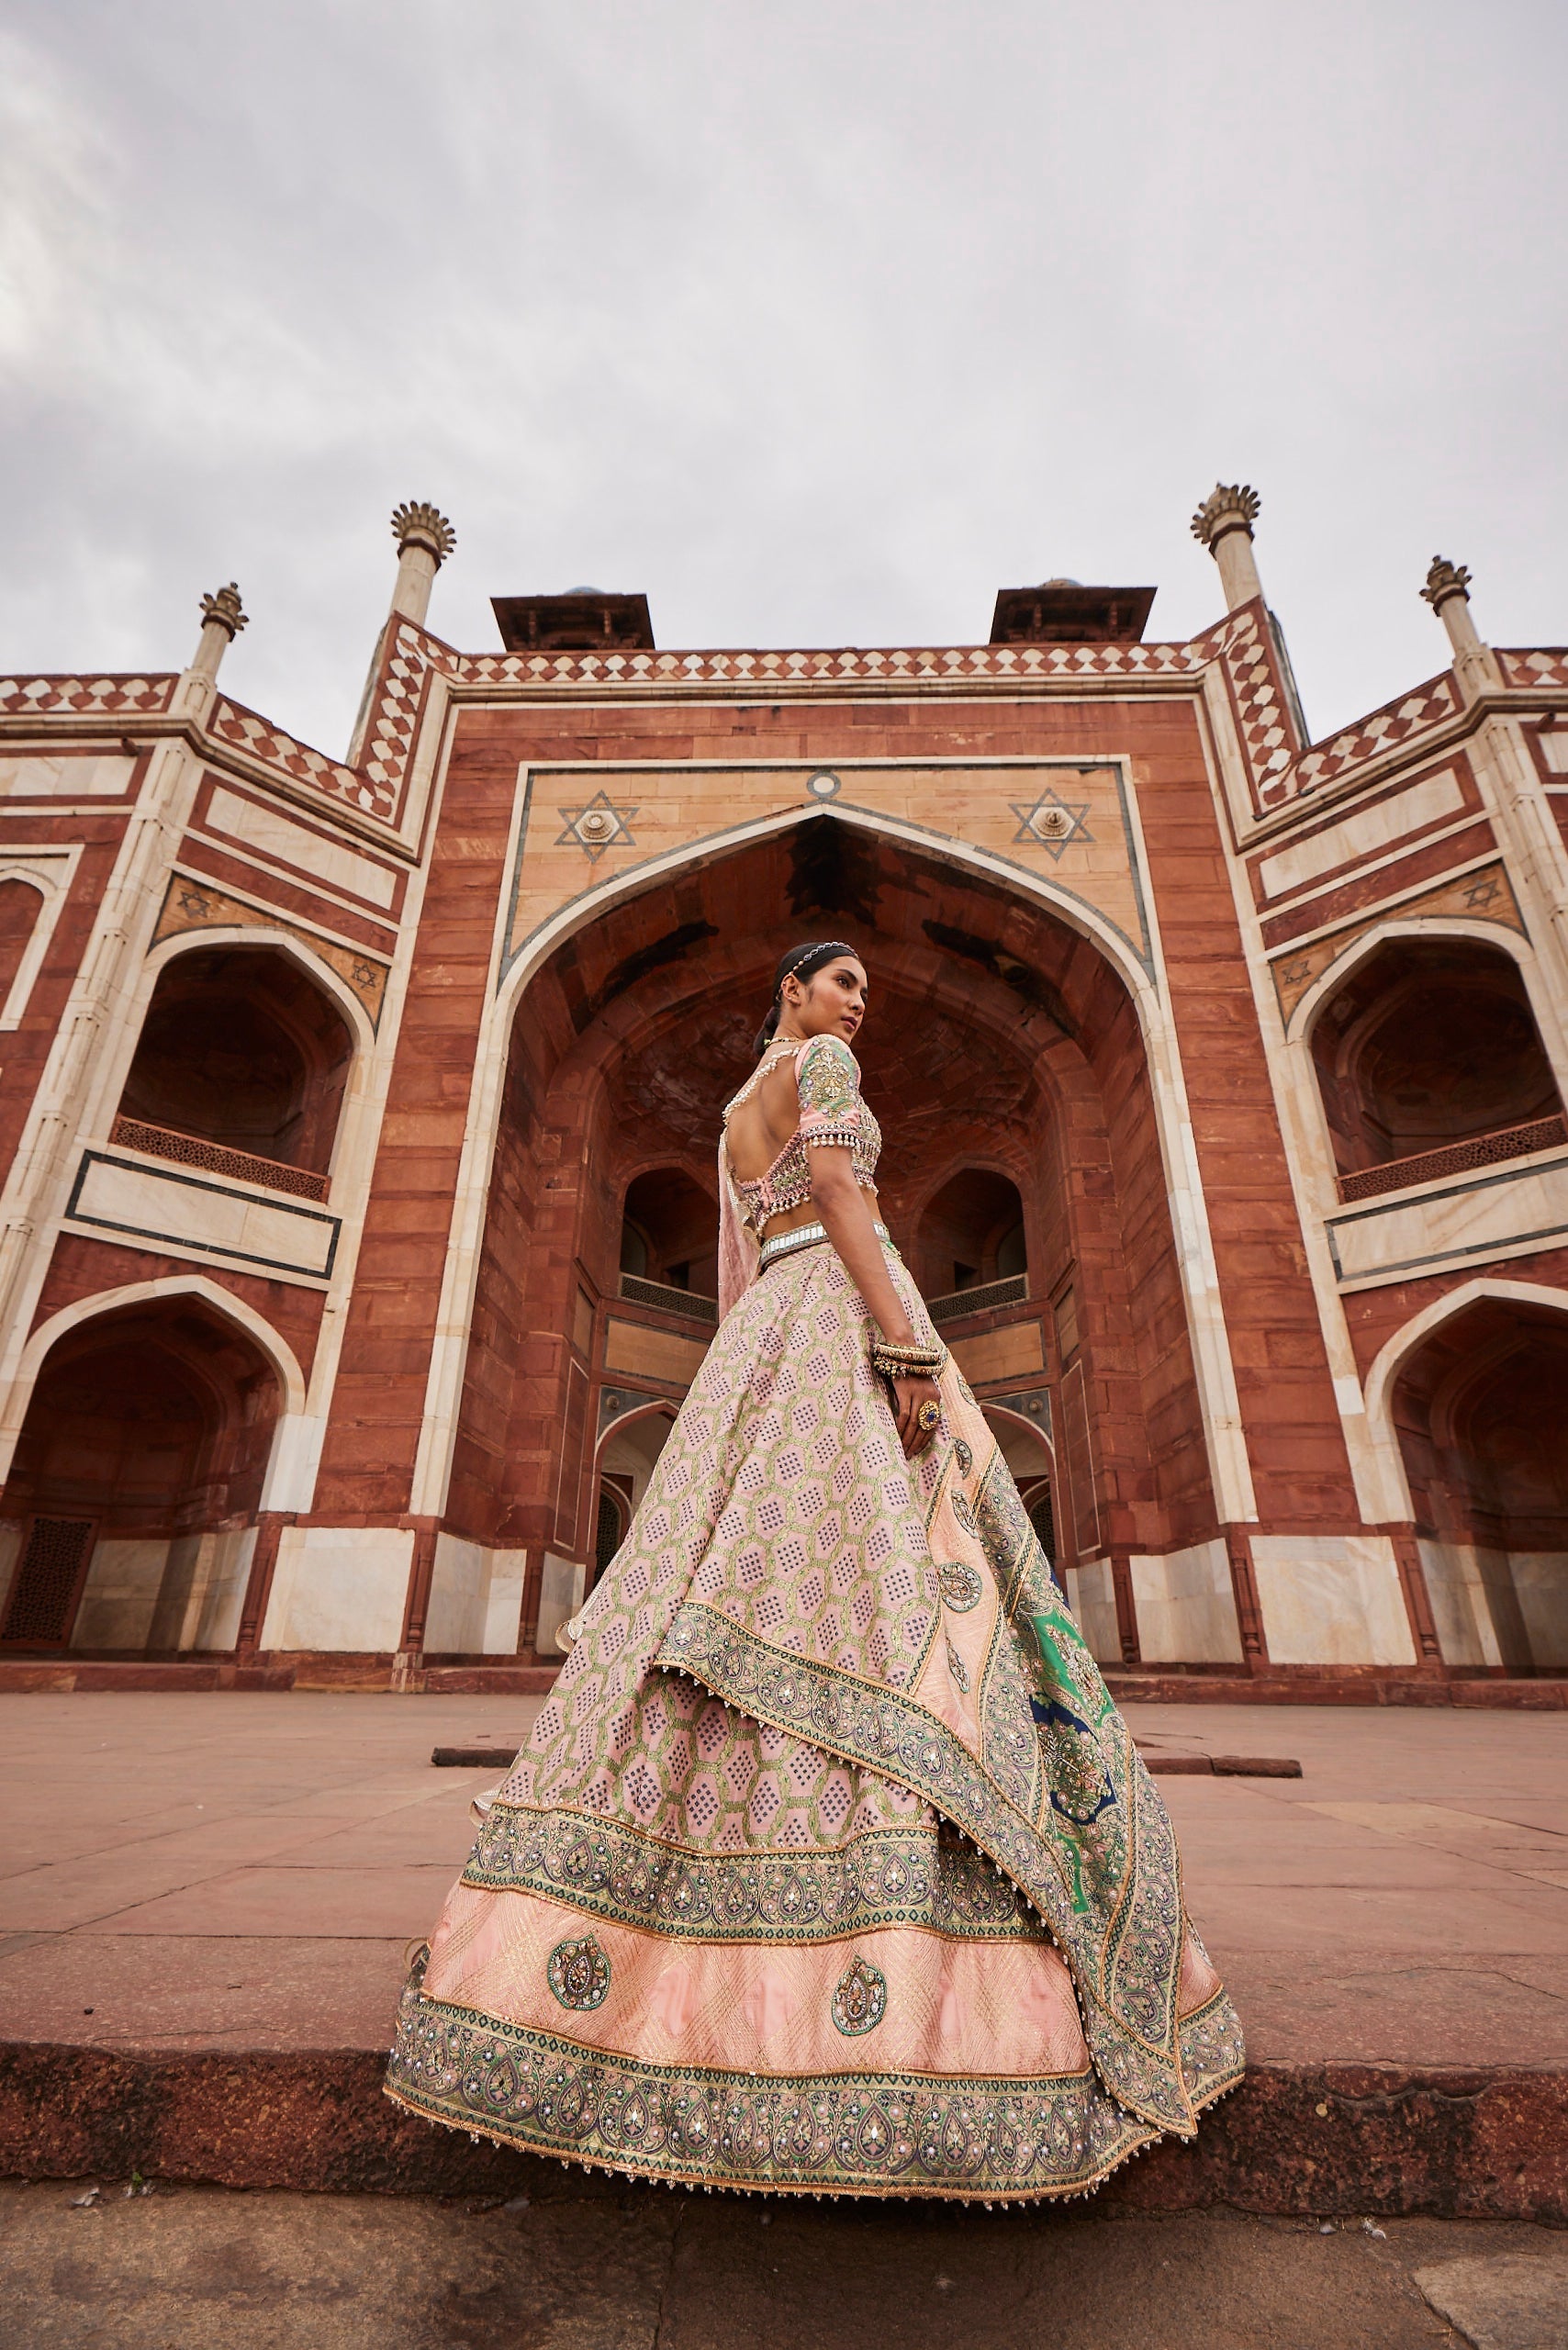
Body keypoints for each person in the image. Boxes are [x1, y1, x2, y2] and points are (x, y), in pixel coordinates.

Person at [386, 941, 1243, 2200]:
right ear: (789, 990)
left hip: (761, 1339)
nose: (859, 1004)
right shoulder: (822, 1066)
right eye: (842, 982)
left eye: (863, 994)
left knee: (746, 1592)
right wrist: (904, 1344)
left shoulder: (737, 1112)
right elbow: (842, 1192)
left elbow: (766, 1231)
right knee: (886, 1591)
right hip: (844, 1318)